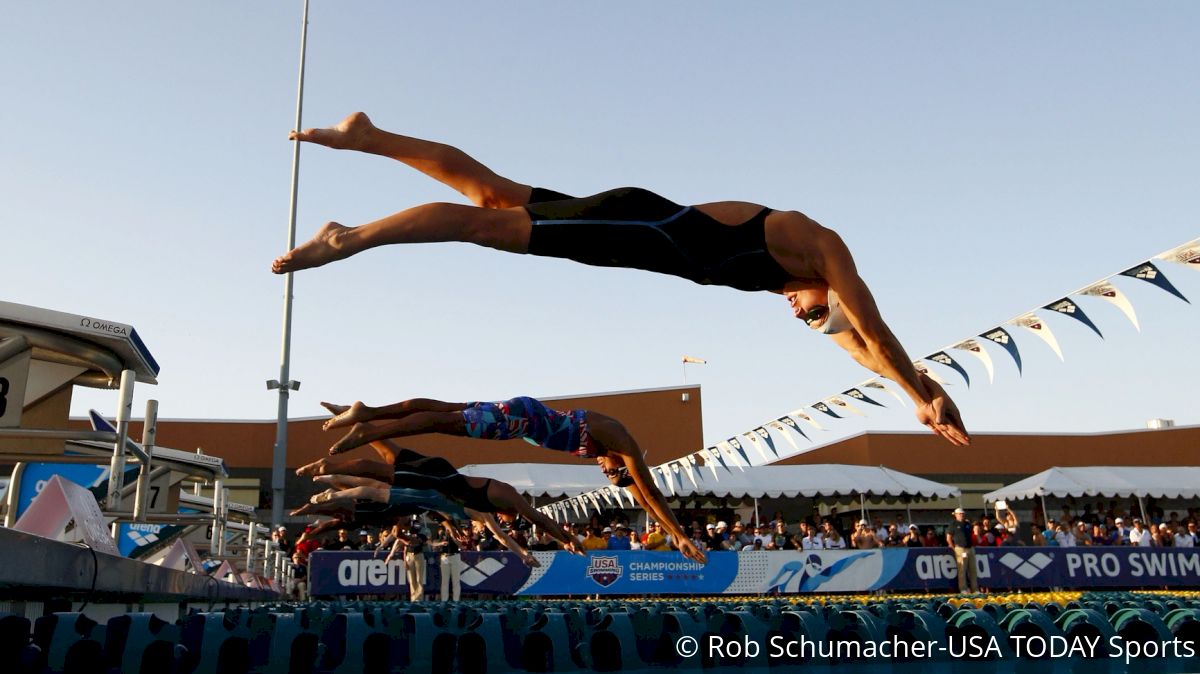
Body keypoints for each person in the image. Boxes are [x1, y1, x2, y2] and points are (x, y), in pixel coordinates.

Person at [272, 113, 970, 448]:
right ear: (830, 285)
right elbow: (870, 327)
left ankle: (368, 135)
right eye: (812, 311)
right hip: (637, 227)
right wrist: (918, 391)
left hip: (633, 225)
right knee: (480, 226)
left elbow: (858, 346)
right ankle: (349, 237)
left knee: (489, 194)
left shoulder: (795, 284)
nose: (798, 314)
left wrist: (920, 391)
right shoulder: (814, 242)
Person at [310, 397, 706, 563]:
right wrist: (678, 535)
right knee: (443, 422)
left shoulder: (611, 448)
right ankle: (366, 426)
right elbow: (648, 492)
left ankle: (366, 412)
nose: (604, 471)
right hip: (524, 420)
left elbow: (641, 494)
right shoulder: (623, 446)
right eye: (611, 474)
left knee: (441, 409)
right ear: (622, 468)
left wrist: (565, 538)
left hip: (524, 418)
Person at [946, 508, 979, 594]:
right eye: (960, 514)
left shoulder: (967, 524)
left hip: (970, 548)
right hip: (960, 549)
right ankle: (963, 588)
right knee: (962, 569)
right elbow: (948, 538)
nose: (961, 515)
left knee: (973, 570)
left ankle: (975, 589)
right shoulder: (953, 524)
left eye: (963, 514)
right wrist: (954, 548)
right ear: (956, 515)